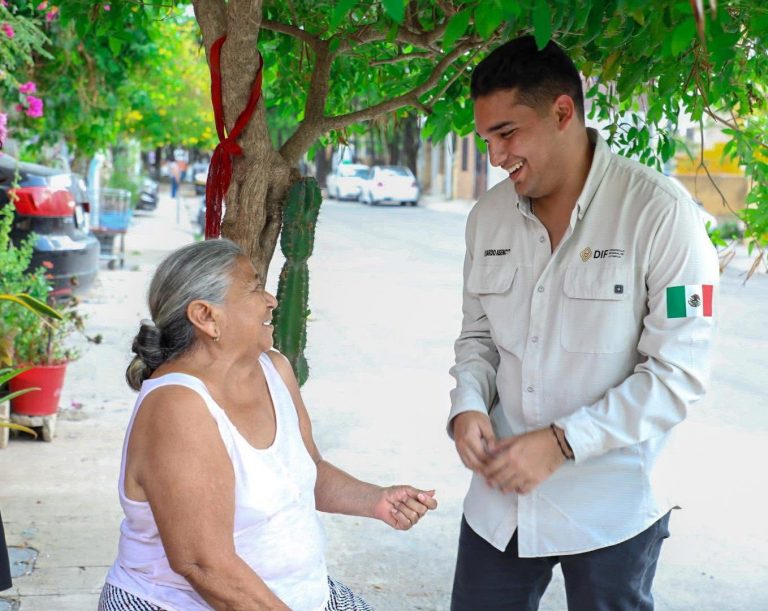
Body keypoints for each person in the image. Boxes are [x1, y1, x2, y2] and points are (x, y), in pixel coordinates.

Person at [448, 36, 718, 610]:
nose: (495, 156)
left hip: (611, 509)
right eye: (486, 139)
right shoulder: (487, 219)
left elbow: (678, 375)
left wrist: (564, 442)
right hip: (500, 506)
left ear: (563, 112)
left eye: (506, 133)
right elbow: (477, 339)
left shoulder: (661, 215)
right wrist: (467, 403)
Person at [98, 239, 437, 610]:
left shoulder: (273, 368)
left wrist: (375, 499)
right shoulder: (178, 406)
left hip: (296, 596)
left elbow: (307, 470)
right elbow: (204, 565)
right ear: (206, 317)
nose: (271, 300)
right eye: (254, 288)